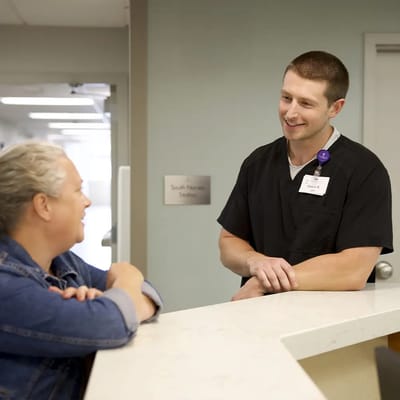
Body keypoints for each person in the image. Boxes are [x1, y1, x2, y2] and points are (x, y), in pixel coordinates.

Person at [217, 50, 393, 301]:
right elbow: (229, 242)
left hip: (333, 325)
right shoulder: (258, 163)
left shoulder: (364, 170)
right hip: (259, 318)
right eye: (286, 98)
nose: (290, 112)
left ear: (335, 107)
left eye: (306, 103)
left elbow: (355, 268)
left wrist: (264, 283)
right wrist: (256, 262)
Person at [0, 141, 163, 399]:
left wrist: (117, 300)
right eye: (78, 191)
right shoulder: (6, 287)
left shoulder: (64, 262)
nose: (87, 201)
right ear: (43, 205)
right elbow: (111, 322)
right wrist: (126, 283)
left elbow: (150, 294)